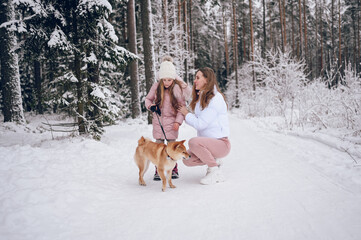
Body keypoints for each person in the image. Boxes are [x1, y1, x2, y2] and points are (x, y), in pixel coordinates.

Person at [178, 67, 231, 185]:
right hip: (209, 145)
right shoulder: (202, 98)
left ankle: (214, 171)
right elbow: (196, 120)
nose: (195, 81)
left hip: (221, 143)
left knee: (193, 142)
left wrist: (186, 114)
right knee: (187, 159)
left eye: (198, 78)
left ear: (207, 80)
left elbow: (200, 124)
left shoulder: (215, 99)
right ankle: (215, 162)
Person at [145, 56, 191, 181]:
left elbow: (182, 107)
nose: (166, 82)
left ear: (174, 79)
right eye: (164, 80)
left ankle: (173, 169)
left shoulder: (177, 89)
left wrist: (178, 121)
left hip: (172, 123)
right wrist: (151, 106)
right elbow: (147, 99)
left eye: (169, 80)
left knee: (172, 148)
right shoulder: (156, 87)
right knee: (158, 147)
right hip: (158, 122)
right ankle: (158, 169)